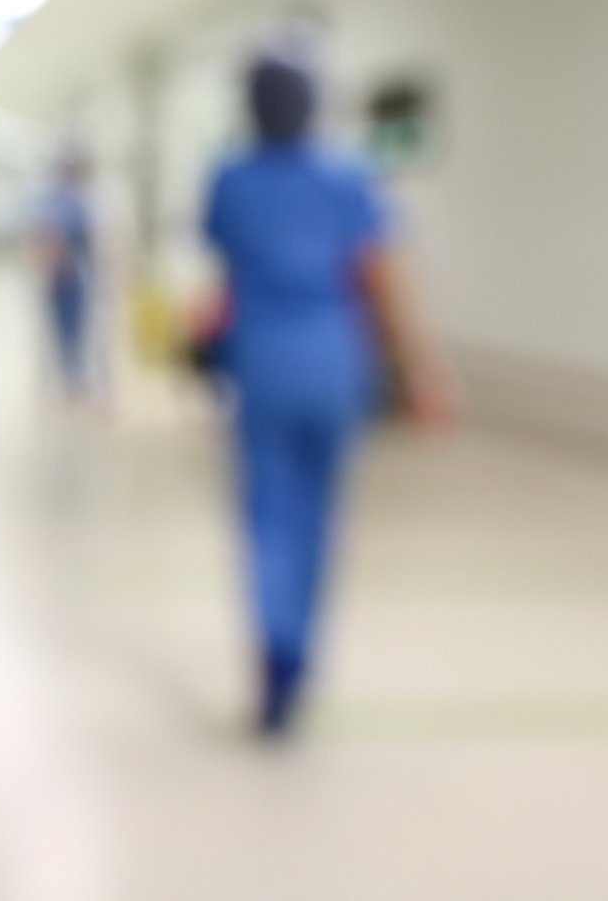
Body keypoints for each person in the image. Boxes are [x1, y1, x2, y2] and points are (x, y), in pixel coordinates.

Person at [202, 45, 456, 739]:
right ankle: (300, 654)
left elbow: (223, 276)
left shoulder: (229, 180)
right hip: (331, 361)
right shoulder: (347, 180)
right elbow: (384, 281)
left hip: (260, 361)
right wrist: (421, 373)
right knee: (316, 514)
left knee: (266, 515)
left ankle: (274, 654)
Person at [32, 151, 100, 396]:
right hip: (66, 275)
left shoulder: (54, 201)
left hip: (64, 275)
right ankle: (72, 379)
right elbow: (81, 239)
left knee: (65, 330)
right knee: (71, 330)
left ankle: (69, 378)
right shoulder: (71, 201)